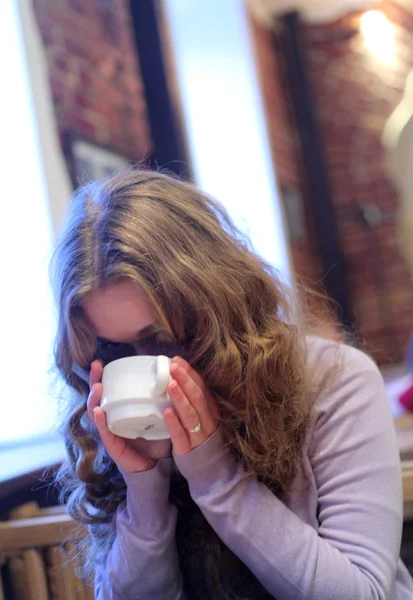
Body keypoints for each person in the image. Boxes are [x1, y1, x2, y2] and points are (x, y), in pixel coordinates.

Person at [52, 169, 413, 600]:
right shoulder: (107, 413)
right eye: (113, 349)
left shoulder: (334, 381)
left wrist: (216, 477)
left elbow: (362, 593)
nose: (141, 366)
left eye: (163, 339)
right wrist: (144, 488)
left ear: (219, 306)